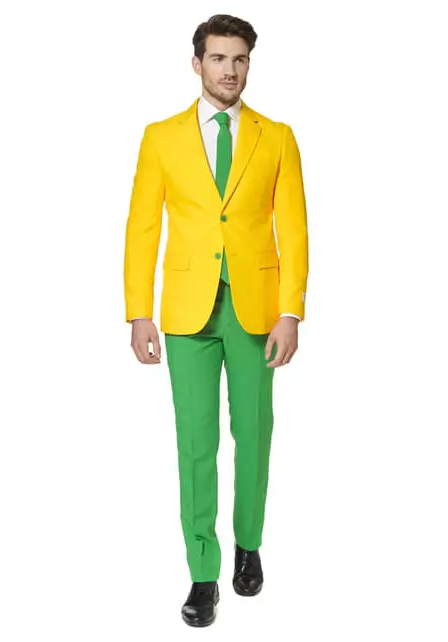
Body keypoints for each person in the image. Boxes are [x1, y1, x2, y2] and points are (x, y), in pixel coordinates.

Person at [123, 13, 309, 627]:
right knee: (196, 442)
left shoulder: (276, 137)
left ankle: (248, 544)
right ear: (197, 63)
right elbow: (142, 228)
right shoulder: (161, 137)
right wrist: (139, 312)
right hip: (186, 312)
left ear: (249, 63)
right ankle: (203, 573)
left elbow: (294, 229)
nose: (230, 70)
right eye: (219, 58)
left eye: (240, 59)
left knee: (254, 434)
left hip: (257, 308)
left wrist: (291, 311)